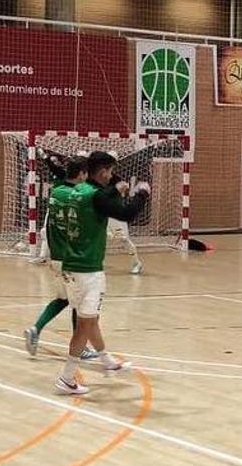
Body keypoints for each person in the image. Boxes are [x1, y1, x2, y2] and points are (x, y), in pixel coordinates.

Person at [49, 151, 150, 396]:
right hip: (88, 269)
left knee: (89, 320)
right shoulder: (96, 197)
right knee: (84, 325)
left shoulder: (76, 191)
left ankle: (106, 360)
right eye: (110, 171)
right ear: (103, 171)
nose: (112, 175)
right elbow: (126, 213)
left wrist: (116, 188)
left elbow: (102, 196)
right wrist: (141, 194)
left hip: (70, 264)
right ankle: (66, 378)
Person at [24, 156, 86, 357]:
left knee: (63, 298)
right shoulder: (75, 196)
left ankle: (36, 329)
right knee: (81, 303)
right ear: (82, 174)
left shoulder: (56, 191)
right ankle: (80, 347)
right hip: (70, 258)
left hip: (55, 255)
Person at [105, 168, 144, 275]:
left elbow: (122, 192)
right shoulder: (96, 179)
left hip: (117, 214)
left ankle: (136, 263)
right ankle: (98, 263)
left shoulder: (116, 179)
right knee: (104, 237)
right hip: (105, 213)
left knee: (124, 239)